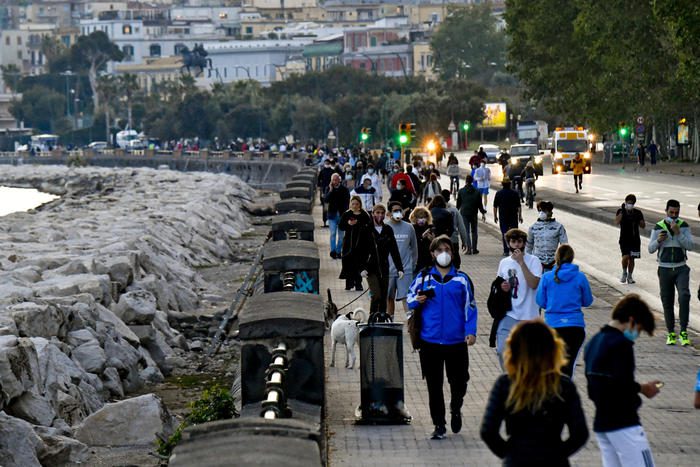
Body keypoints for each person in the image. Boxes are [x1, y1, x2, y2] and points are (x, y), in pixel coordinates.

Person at [481, 320, 589, 466]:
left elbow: (488, 431)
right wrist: (559, 453)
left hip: (517, 459)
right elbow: (580, 433)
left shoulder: (506, 384)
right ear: (553, 350)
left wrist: (509, 453)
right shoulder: (563, 385)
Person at [406, 235, 477, 440]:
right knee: (434, 385)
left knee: (460, 381)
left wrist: (470, 331)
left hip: (456, 342)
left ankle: (456, 407)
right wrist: (416, 300)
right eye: (439, 250)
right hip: (430, 341)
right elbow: (410, 299)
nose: (443, 253)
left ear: (452, 253)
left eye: (447, 249)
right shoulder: (423, 277)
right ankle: (439, 423)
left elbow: (470, 307)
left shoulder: (461, 279)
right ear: (432, 254)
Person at [584, 294, 661, 467]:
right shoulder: (621, 345)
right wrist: (643, 388)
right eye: (639, 330)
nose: (636, 335)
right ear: (631, 320)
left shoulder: (594, 342)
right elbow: (622, 383)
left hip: (602, 422)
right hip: (624, 423)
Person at [536, 245, 593, 378]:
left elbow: (540, 301)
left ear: (556, 258)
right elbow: (588, 301)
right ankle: (566, 394)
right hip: (575, 327)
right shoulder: (580, 277)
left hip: (553, 326)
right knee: (568, 366)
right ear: (572, 258)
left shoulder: (547, 277)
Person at [648, 199, 693, 346]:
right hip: (665, 268)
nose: (674, 216)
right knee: (667, 300)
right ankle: (671, 332)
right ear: (666, 211)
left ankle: (684, 331)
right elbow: (650, 249)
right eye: (671, 212)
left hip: (681, 267)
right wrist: (659, 241)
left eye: (676, 213)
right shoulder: (658, 226)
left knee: (684, 296)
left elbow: (690, 246)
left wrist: (678, 233)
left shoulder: (684, 226)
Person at [496, 228, 543, 368]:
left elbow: (533, 284)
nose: (516, 245)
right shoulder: (504, 263)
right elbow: (498, 286)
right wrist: (503, 288)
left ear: (524, 243)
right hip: (509, 313)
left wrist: (521, 263)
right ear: (508, 243)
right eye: (513, 241)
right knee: (502, 351)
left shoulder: (534, 260)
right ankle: (509, 380)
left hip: (529, 315)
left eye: (519, 241)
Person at [359, 204, 404, 320]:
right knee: (376, 294)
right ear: (373, 214)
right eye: (377, 213)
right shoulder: (366, 229)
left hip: (384, 267)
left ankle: (382, 318)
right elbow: (360, 250)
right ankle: (372, 317)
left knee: (384, 295)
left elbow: (394, 250)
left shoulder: (388, 230)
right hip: (370, 268)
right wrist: (362, 268)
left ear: (385, 215)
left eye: (382, 213)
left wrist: (400, 268)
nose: (380, 215)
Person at [386, 201, 418, 319]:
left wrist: (413, 264)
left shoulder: (409, 227)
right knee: (389, 297)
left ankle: (411, 322)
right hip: (389, 270)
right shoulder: (385, 227)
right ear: (389, 213)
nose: (398, 212)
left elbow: (414, 248)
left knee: (407, 297)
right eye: (395, 210)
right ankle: (390, 320)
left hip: (406, 270)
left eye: (400, 210)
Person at [339, 196, 372, 291]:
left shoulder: (364, 214)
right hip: (348, 244)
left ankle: (358, 283)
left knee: (359, 263)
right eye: (353, 204)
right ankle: (349, 284)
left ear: (360, 205)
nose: (354, 206)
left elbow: (369, 227)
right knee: (348, 263)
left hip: (361, 244)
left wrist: (359, 224)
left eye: (356, 204)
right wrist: (348, 224)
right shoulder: (347, 214)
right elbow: (341, 226)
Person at [526, 201, 568, 272]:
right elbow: (528, 246)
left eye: (545, 210)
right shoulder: (533, 228)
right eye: (540, 210)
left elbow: (564, 246)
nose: (542, 212)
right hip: (537, 265)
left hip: (553, 265)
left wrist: (562, 263)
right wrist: (529, 263)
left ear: (550, 212)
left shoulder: (558, 227)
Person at [615, 194, 645, 284]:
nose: (630, 205)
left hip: (635, 239)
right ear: (625, 202)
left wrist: (638, 219)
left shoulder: (638, 213)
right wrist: (623, 212)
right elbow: (617, 221)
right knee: (625, 256)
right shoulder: (621, 211)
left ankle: (630, 276)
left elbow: (643, 226)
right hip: (624, 238)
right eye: (628, 203)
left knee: (632, 258)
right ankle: (624, 272)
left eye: (631, 203)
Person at [457, 174, 487, 255]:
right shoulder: (477, 191)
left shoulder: (461, 191)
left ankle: (469, 249)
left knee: (466, 231)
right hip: (474, 213)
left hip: (464, 213)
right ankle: (475, 249)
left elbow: (458, 205)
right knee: (474, 231)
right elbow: (480, 205)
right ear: (472, 181)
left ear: (466, 181)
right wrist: (483, 212)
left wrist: (455, 213)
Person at [493, 179, 523, 256]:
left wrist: (495, 216)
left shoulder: (499, 193)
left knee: (504, 233)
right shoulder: (515, 193)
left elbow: (495, 206)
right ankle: (515, 250)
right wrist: (520, 216)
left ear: (502, 184)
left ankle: (506, 251)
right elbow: (519, 206)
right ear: (510, 184)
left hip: (503, 216)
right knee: (515, 234)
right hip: (513, 216)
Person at [324, 173, 350, 259]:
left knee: (341, 236)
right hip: (332, 215)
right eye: (333, 180)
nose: (335, 181)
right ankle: (333, 251)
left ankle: (339, 251)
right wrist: (331, 190)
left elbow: (347, 202)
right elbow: (326, 200)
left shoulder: (344, 189)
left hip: (342, 215)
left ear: (339, 180)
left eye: (336, 180)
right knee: (333, 233)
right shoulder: (329, 188)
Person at [441, 189, 468, 269]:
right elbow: (461, 227)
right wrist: (464, 241)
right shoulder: (454, 210)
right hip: (453, 240)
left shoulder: (435, 210)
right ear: (449, 198)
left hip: (439, 241)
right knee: (455, 262)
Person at [409, 206, 435, 273]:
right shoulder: (412, 228)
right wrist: (421, 238)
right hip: (417, 260)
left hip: (429, 260)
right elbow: (411, 244)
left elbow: (437, 244)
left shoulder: (431, 228)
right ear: (415, 218)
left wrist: (433, 240)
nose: (422, 220)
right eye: (419, 218)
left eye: (424, 217)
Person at [318, 159, 340, 227]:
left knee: (333, 207)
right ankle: (325, 221)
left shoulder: (332, 171)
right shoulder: (322, 171)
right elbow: (319, 180)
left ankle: (332, 221)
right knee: (325, 207)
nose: (326, 164)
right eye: (326, 163)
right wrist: (321, 190)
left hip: (332, 191)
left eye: (327, 163)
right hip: (325, 191)